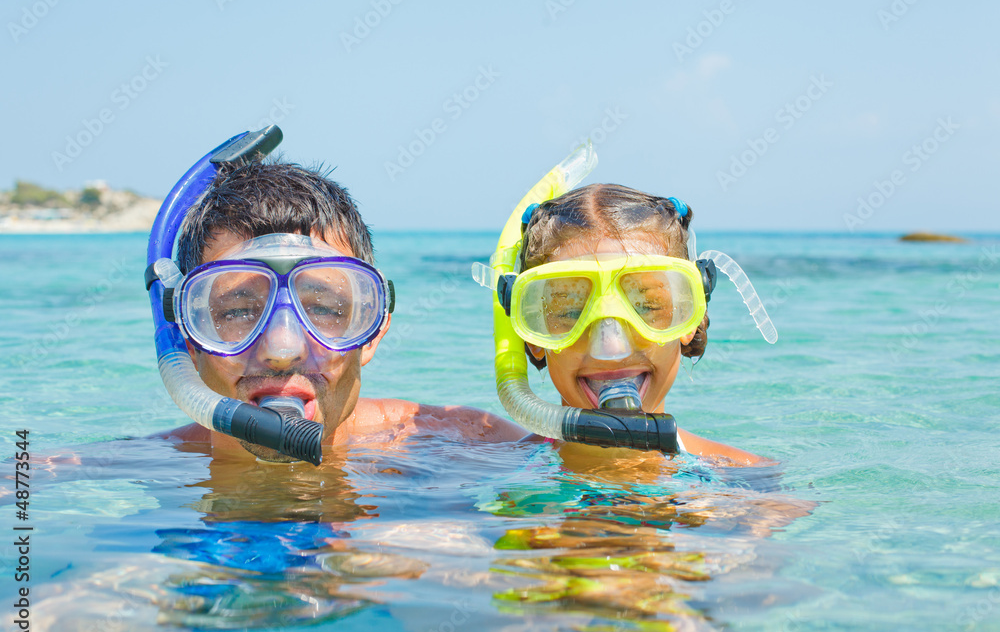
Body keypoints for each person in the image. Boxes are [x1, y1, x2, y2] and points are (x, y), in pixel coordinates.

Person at [151, 129, 526, 463]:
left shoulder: (477, 446)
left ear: (373, 329)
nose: (283, 350)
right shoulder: (119, 472)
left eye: (323, 308)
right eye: (238, 311)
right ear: (188, 337)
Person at [514, 183, 764, 464]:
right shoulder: (498, 478)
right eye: (571, 312)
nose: (611, 349)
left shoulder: (746, 483)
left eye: (647, 307)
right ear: (534, 334)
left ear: (688, 317)